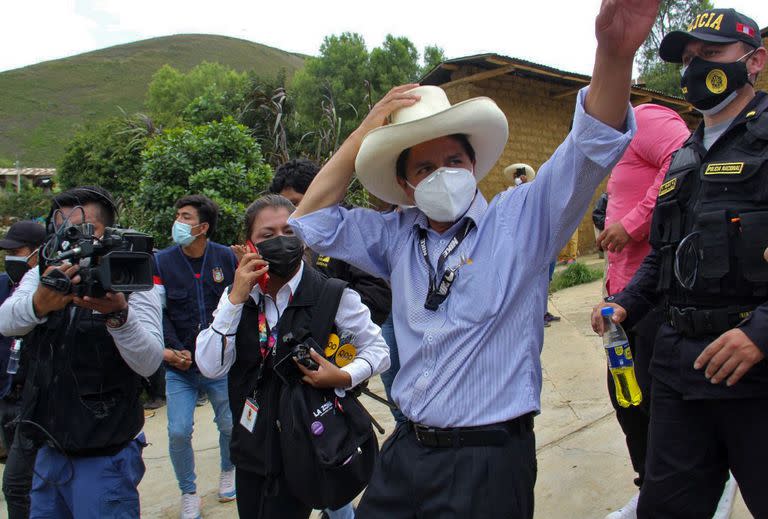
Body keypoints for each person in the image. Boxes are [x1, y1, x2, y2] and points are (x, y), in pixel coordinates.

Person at [288, 1, 657, 516]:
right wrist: (364, 132)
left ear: (474, 165)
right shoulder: (395, 236)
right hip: (406, 451)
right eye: (425, 167)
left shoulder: (523, 221)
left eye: (454, 161)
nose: (443, 174)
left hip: (488, 462)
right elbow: (310, 220)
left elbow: (590, 143)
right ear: (405, 185)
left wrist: (614, 55)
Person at [591, 8, 768, 518]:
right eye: (688, 58)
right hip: (678, 367)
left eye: (709, 55)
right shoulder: (685, 156)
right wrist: (625, 304)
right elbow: (667, 255)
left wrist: (761, 333)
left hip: (753, 371)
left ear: (754, 61)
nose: (694, 68)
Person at [195, 194, 389, 519]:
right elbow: (210, 365)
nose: (280, 241)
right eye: (267, 235)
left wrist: (343, 376)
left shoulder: (331, 293)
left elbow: (378, 350)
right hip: (252, 445)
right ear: (250, 244)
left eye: (289, 231)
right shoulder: (239, 298)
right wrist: (236, 298)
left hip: (306, 443)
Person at [0, 186, 163, 518]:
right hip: (47, 448)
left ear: (107, 232)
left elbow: (149, 361)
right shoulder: (43, 271)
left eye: (84, 230)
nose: (72, 241)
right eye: (63, 231)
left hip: (105, 456)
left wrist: (118, 316)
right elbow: (6, 321)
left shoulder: (130, 274)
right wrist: (38, 304)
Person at [593, 103, 690, 519]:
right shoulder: (615, 145)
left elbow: (685, 163)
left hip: (655, 293)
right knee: (628, 401)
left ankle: (691, 491)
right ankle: (649, 487)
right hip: (622, 299)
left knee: (658, 404)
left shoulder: (647, 118)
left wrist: (633, 222)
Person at [269, 159, 399, 436]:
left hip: (349, 342)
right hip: (296, 356)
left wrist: (332, 328)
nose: (291, 215)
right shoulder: (279, 242)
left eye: (296, 203)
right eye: (283, 205)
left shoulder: (346, 229)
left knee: (397, 401)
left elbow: (377, 293)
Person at [153, 195, 238, 518]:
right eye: (177, 215)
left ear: (202, 227)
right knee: (177, 430)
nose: (178, 222)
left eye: (185, 217)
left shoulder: (225, 259)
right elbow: (157, 313)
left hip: (218, 363)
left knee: (230, 425)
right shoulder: (161, 262)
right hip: (179, 366)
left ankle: (228, 471)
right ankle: (188, 491)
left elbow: (236, 305)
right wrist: (174, 350)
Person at [0, 221, 46, 519]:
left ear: (38, 254)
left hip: (39, 403)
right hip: (7, 396)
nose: (9, 258)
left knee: (22, 483)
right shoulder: (2, 286)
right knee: (18, 484)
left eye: (17, 251)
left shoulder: (52, 291)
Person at [504, 163, 562, 328]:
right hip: (524, 245)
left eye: (523, 175)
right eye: (518, 175)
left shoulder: (534, 193)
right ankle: (534, 315)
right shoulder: (509, 194)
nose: (521, 177)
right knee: (530, 281)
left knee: (545, 279)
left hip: (543, 241)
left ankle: (543, 311)